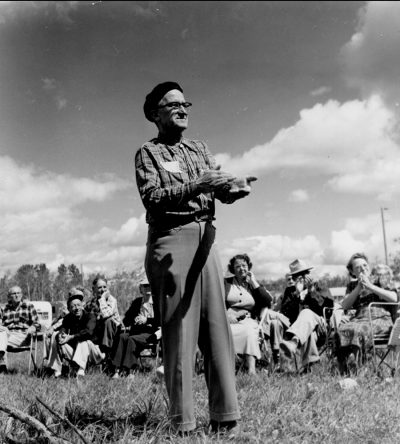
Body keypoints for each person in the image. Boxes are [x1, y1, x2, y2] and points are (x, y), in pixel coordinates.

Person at [135, 81, 255, 434]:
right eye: (172, 105)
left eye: (185, 104)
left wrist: (235, 188)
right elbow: (153, 198)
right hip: (171, 242)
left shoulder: (199, 148)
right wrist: (197, 185)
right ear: (154, 114)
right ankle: (183, 424)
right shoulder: (148, 153)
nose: (181, 109)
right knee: (181, 334)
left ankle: (226, 419)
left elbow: (218, 188)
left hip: (207, 241)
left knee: (218, 330)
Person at [336, 254, 397, 372]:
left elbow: (394, 298)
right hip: (359, 319)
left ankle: (360, 368)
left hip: (381, 318)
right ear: (352, 272)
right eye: (358, 267)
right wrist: (359, 287)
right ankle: (344, 369)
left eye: (365, 265)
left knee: (358, 329)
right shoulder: (352, 286)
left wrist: (370, 286)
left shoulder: (381, 278)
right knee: (342, 329)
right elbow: (345, 305)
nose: (363, 269)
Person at [279, 259, 334, 373]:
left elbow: (329, 308)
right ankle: (310, 367)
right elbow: (285, 312)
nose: (301, 278)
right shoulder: (290, 291)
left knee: (306, 312)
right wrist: (297, 293)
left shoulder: (320, 285)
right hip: (300, 329)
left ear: (308, 274)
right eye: (296, 276)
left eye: (304, 274)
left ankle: (294, 343)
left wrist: (312, 292)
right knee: (308, 332)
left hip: (320, 326)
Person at [225, 254, 273, 374]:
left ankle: (251, 370)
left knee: (250, 331)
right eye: (238, 266)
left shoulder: (253, 285)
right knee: (221, 331)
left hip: (247, 319)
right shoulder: (225, 283)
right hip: (227, 319)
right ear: (233, 269)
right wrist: (226, 315)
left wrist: (254, 282)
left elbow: (268, 301)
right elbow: (216, 301)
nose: (241, 268)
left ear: (248, 267)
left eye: (244, 265)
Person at [46, 289, 105, 377]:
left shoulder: (90, 316)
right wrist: (61, 335)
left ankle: (81, 370)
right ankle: (56, 371)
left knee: (83, 341)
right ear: (69, 309)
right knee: (55, 336)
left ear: (82, 306)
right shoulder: (68, 318)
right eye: (73, 306)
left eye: (78, 305)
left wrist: (71, 337)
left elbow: (88, 333)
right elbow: (63, 329)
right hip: (76, 353)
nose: (77, 308)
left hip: (93, 353)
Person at [111, 279, 160, 379]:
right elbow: (127, 319)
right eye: (145, 286)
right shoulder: (137, 302)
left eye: (149, 285)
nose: (148, 288)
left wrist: (147, 320)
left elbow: (162, 320)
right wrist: (135, 319)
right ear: (140, 289)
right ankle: (117, 369)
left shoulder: (158, 302)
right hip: (137, 330)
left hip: (151, 333)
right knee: (122, 337)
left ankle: (131, 370)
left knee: (132, 339)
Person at [0, 286, 40, 373]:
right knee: (2, 333)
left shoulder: (28, 307)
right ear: (9, 296)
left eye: (18, 293)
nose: (16, 295)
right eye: (14, 293)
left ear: (21, 295)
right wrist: (2, 327)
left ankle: (2, 364)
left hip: (23, 336)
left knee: (1, 337)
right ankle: (2, 364)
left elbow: (37, 323)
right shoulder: (5, 309)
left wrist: (32, 327)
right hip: (8, 335)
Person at [85, 277, 121, 356]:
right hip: (99, 330)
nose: (103, 290)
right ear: (94, 289)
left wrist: (102, 299)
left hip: (113, 330)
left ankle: (107, 351)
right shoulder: (92, 302)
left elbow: (106, 314)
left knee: (108, 321)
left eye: (104, 287)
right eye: (99, 287)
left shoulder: (112, 300)